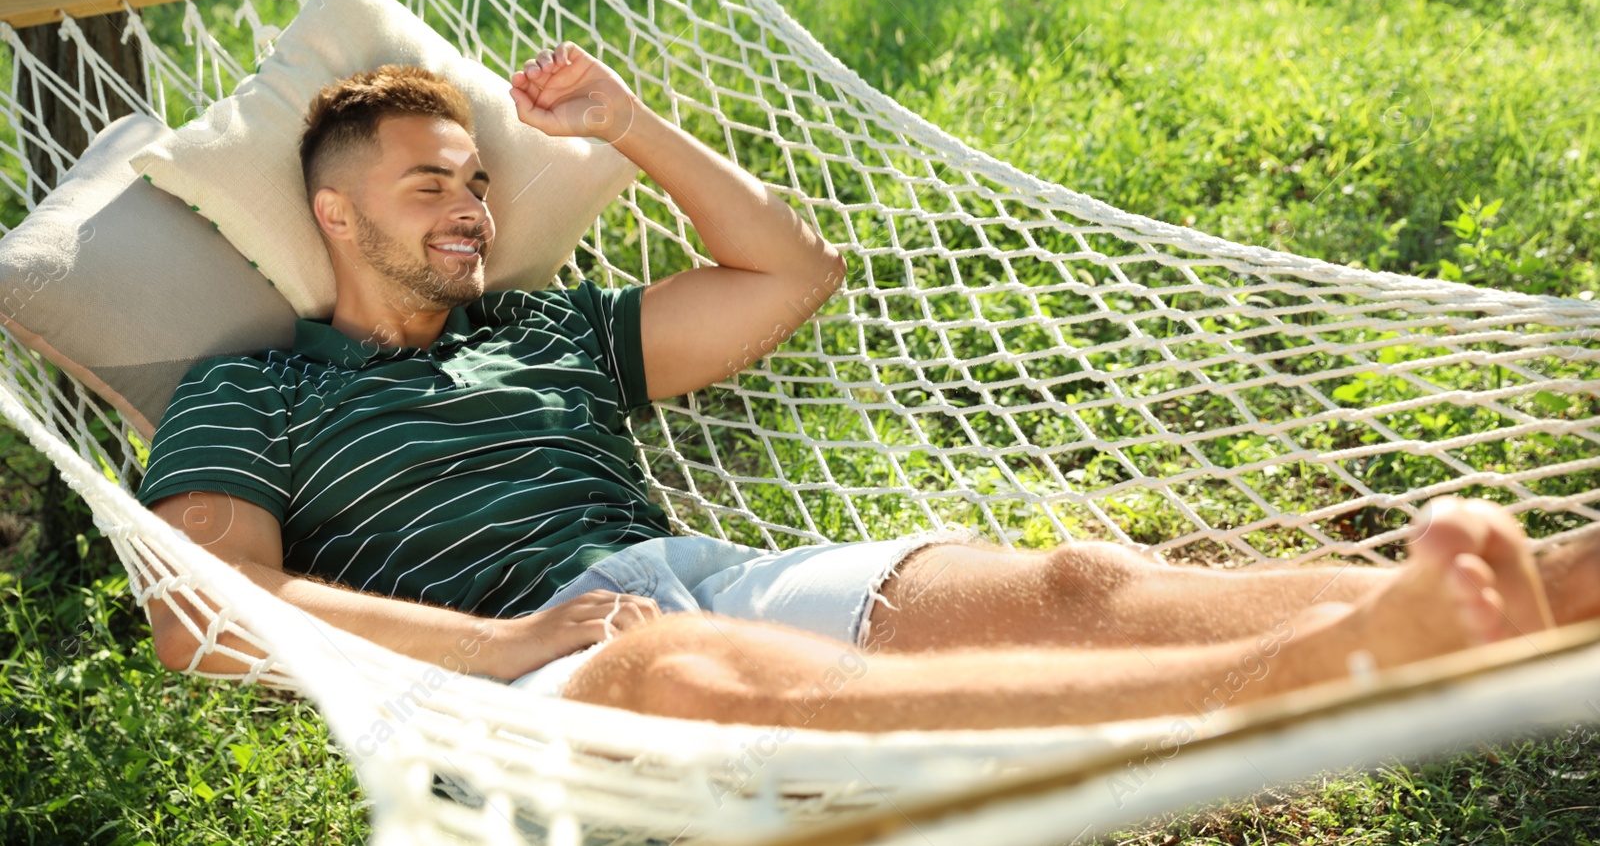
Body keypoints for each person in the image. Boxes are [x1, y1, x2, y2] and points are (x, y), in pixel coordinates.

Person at [141, 43, 1599, 733]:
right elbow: (204, 615)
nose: (468, 210)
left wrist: (632, 125)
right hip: (509, 679)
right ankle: (1317, 671)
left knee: (1080, 583)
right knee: (682, 680)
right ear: (336, 217)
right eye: (427, 188)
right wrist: (509, 643)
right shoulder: (251, 390)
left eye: (477, 182)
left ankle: (1532, 589)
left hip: (692, 569)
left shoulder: (544, 330)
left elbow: (787, 277)